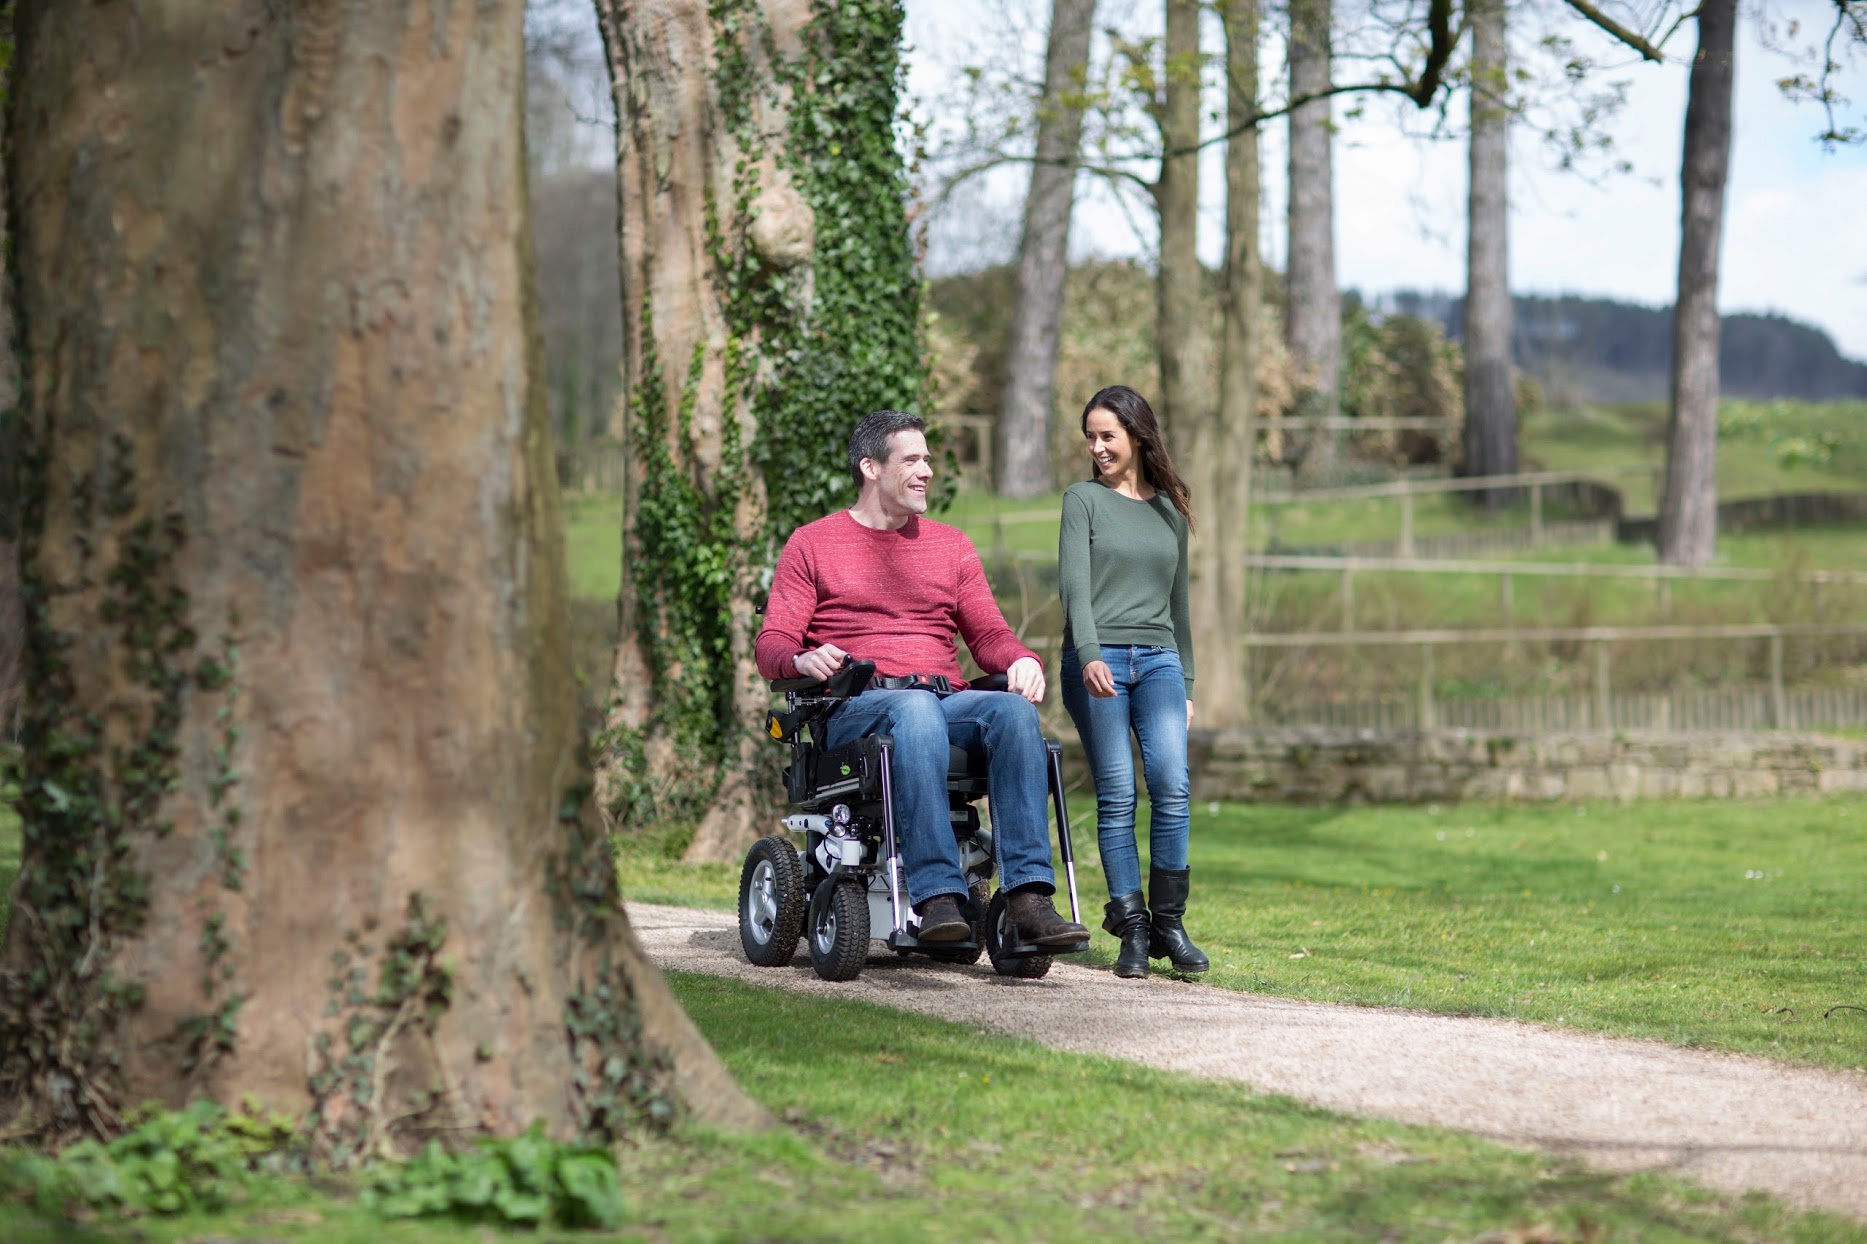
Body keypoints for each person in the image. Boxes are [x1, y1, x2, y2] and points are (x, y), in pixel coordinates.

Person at [755, 410, 1091, 948]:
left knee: (1011, 711)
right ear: (870, 467)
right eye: (912, 459)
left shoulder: (950, 546)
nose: (927, 470)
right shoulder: (812, 544)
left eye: (928, 458)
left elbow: (989, 636)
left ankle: (1028, 896)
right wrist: (801, 659)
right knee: (913, 709)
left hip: (940, 703)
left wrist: (1021, 659)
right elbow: (771, 645)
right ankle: (936, 897)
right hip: (857, 710)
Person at [1057, 385, 1209, 978]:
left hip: (1161, 660)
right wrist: (1090, 653)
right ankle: (1133, 930)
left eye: (1107, 436)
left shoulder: (1169, 510)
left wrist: (1188, 681)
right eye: (1090, 437)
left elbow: (1180, 605)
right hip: (1098, 661)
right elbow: (1075, 586)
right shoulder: (1082, 501)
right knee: (1119, 791)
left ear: (1138, 436)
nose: (1097, 447)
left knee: (1172, 784)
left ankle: (1170, 924)